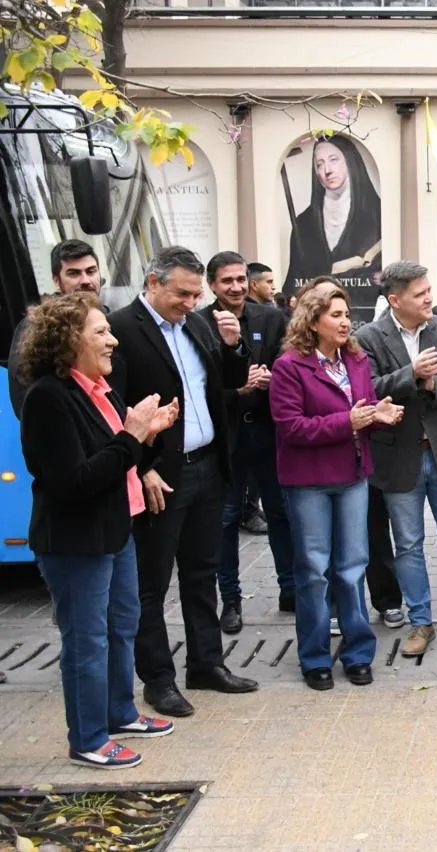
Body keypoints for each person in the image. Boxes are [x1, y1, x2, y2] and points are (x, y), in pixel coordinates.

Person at [20, 293, 179, 768]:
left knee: (121, 625)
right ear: (69, 341)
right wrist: (132, 435)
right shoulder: (48, 397)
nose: (112, 340)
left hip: (116, 529)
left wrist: (148, 435)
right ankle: (88, 739)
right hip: (75, 541)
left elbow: (123, 464)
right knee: (87, 640)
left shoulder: (100, 389)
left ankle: (119, 712)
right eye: (100, 333)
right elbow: (73, 482)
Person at [107, 246, 257, 719]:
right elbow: (112, 408)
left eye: (196, 294)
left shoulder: (196, 324)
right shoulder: (121, 329)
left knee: (201, 572)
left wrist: (233, 347)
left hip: (208, 467)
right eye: (183, 293)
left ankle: (206, 664)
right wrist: (141, 466)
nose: (192, 302)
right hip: (159, 476)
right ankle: (158, 679)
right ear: (152, 283)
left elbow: (224, 385)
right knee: (151, 582)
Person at [270, 282, 403, 690]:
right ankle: (314, 658)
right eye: (336, 315)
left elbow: (359, 408)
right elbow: (290, 427)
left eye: (347, 315)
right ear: (313, 321)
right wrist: (348, 422)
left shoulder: (357, 361)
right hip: (308, 482)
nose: (346, 322)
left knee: (352, 569)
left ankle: (358, 654)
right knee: (313, 572)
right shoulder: (289, 366)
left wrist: (376, 413)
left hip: (353, 476)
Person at [355, 261, 437, 659]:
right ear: (395, 300)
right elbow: (367, 389)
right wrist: (409, 374)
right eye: (419, 293)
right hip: (398, 458)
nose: (430, 298)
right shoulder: (368, 337)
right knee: (408, 546)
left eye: (429, 290)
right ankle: (420, 622)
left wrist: (433, 383)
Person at [198, 251, 295, 635]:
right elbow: (202, 390)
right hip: (227, 436)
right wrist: (238, 390)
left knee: (280, 512)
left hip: (269, 431)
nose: (236, 287)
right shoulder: (198, 324)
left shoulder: (271, 317)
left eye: (241, 279)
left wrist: (275, 380)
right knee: (224, 519)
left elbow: (290, 365)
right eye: (227, 281)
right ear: (213, 286)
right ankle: (232, 601)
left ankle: (290, 591)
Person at [9, 239, 103, 418]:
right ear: (56, 280)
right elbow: (24, 393)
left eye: (91, 271)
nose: (86, 280)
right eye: (74, 274)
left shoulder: (110, 317)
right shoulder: (36, 326)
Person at [284, 136, 382, 292]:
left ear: (349, 161)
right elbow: (293, 283)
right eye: (319, 164)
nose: (327, 170)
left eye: (333, 160)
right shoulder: (304, 224)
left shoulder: (377, 215)